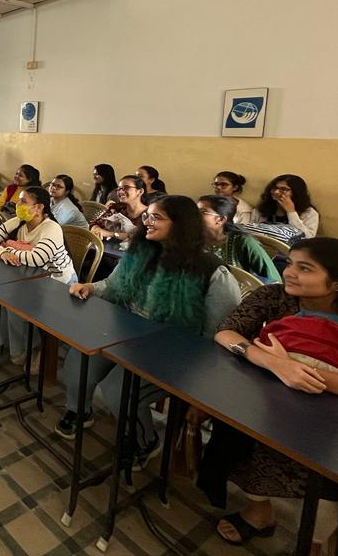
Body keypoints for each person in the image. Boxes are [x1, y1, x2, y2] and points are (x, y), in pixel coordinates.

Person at [205, 238, 338, 551]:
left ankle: (319, 540)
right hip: (275, 404)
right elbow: (226, 332)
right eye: (290, 263)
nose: (289, 272)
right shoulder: (275, 296)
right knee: (235, 428)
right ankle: (259, 511)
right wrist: (274, 363)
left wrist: (304, 371)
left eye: (305, 269)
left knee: (332, 477)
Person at [58, 196, 240, 462]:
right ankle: (79, 410)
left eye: (157, 218)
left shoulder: (211, 273)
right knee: (79, 359)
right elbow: (113, 286)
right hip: (127, 334)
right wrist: (90, 287)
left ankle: (145, 441)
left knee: (119, 391)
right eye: (147, 216)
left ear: (181, 225)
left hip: (173, 351)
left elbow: (216, 334)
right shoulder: (140, 252)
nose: (147, 222)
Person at [0, 186, 77, 364]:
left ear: (39, 207)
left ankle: (26, 350)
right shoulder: (18, 221)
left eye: (23, 202)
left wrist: (8, 248)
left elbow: (38, 258)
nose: (18, 205)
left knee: (15, 304)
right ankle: (6, 344)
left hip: (58, 283)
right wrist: (1, 252)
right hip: (27, 278)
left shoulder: (51, 228)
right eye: (19, 201)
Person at [197, 195, 280, 282]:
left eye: (202, 212)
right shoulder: (193, 240)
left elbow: (274, 281)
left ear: (220, 219)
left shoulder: (243, 241)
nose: (194, 215)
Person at [250, 174, 320, 239]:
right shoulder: (261, 209)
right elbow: (250, 232)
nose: (276, 192)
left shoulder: (309, 213)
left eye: (283, 189)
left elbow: (307, 238)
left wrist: (291, 212)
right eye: (274, 188)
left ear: (296, 192)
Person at [89, 175, 149, 245]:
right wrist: (98, 230)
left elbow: (141, 238)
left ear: (140, 191)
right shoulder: (115, 208)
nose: (120, 191)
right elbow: (94, 224)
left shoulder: (150, 214)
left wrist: (111, 234)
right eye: (119, 189)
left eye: (126, 188)